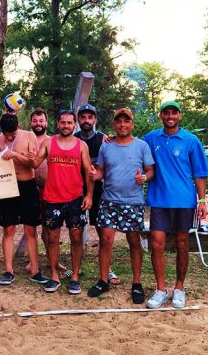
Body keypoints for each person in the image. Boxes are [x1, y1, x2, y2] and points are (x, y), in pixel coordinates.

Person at [143, 101, 208, 309]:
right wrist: (110, 139)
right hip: (160, 200)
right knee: (157, 243)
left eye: (174, 112)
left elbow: (200, 173)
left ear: (179, 116)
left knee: (182, 243)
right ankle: (161, 289)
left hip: (184, 200)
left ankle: (179, 288)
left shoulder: (191, 140)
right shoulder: (150, 138)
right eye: (166, 113)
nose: (170, 116)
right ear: (161, 116)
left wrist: (201, 200)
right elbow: (132, 148)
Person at [86, 108, 155, 303]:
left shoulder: (141, 146)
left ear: (132, 124)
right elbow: (100, 171)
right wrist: (95, 175)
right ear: (114, 125)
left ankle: (136, 283)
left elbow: (151, 170)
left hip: (132, 202)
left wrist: (144, 177)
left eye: (126, 121)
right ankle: (103, 280)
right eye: (119, 122)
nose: (122, 125)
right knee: (106, 240)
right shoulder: (106, 146)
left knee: (134, 242)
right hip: (109, 200)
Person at [33, 110, 93, 294]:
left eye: (69, 123)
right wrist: (17, 154)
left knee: (76, 238)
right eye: (63, 122)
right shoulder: (48, 142)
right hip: (52, 198)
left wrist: (89, 195)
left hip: (75, 198)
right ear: (57, 124)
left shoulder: (81, 145)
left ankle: (74, 276)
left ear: (74, 124)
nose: (66, 126)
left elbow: (89, 172)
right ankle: (54, 276)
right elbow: (35, 163)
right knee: (52, 239)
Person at [0, 113, 47, 285]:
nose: (9, 137)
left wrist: (15, 154)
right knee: (8, 229)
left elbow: (34, 164)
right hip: (7, 186)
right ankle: (8, 270)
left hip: (27, 185)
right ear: (2, 131)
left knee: (30, 230)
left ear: (18, 128)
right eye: (6, 135)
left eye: (12, 135)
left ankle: (35, 270)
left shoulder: (29, 136)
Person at [74, 104, 119, 285]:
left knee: (103, 231)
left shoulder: (104, 140)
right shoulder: (73, 139)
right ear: (78, 120)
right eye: (83, 117)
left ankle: (107, 269)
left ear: (95, 120)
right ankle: (75, 267)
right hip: (76, 189)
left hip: (99, 190)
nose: (86, 120)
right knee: (75, 231)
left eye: (90, 117)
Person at [28, 108, 66, 272]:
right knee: (30, 227)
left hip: (49, 189)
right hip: (29, 188)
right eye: (35, 121)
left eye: (41, 120)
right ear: (31, 123)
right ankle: (32, 261)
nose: (38, 124)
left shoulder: (53, 141)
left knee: (49, 227)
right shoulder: (25, 139)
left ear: (47, 122)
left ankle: (54, 260)